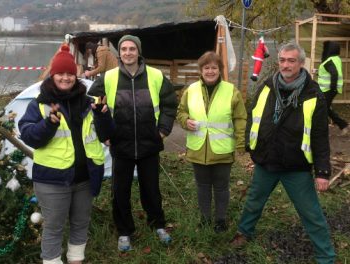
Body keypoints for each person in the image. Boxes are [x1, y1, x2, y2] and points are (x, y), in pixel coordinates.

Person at [231, 43, 336, 264]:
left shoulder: (313, 94)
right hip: (267, 160)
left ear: (301, 63)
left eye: (291, 60)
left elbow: (319, 136)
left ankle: (326, 256)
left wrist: (323, 171)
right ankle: (244, 233)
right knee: (254, 202)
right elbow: (253, 115)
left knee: (311, 214)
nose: (286, 65)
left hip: (295, 166)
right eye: (282, 60)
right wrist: (252, 147)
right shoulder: (267, 86)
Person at [19, 44, 112, 264]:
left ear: (76, 75)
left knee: (81, 222)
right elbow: (29, 136)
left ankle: (75, 259)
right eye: (61, 73)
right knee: (54, 227)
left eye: (70, 74)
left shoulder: (89, 103)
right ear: (53, 76)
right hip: (52, 180)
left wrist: (104, 116)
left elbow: (107, 136)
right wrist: (49, 124)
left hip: (85, 178)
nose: (65, 78)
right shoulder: (39, 104)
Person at [88, 35, 178, 251]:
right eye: (124, 49)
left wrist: (163, 130)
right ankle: (124, 231)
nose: (128, 53)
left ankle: (158, 225)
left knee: (151, 189)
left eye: (132, 49)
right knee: (120, 191)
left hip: (149, 144)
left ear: (138, 52)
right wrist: (104, 133)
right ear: (120, 53)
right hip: (121, 145)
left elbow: (169, 103)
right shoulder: (109, 77)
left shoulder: (155, 76)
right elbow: (93, 103)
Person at [177, 51, 247, 233]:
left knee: (221, 187)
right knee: (202, 186)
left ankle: (221, 220)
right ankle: (205, 219)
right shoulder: (190, 90)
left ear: (220, 70)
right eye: (206, 68)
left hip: (222, 150)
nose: (210, 71)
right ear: (201, 70)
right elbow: (181, 112)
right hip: (197, 149)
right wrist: (186, 121)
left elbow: (240, 118)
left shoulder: (232, 91)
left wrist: (240, 143)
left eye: (214, 67)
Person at [318, 41, 348, 136]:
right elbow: (329, 73)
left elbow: (334, 73)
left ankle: (323, 131)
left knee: (322, 109)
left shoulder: (329, 61)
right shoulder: (336, 59)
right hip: (330, 89)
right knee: (325, 108)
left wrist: (333, 88)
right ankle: (343, 125)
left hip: (328, 89)